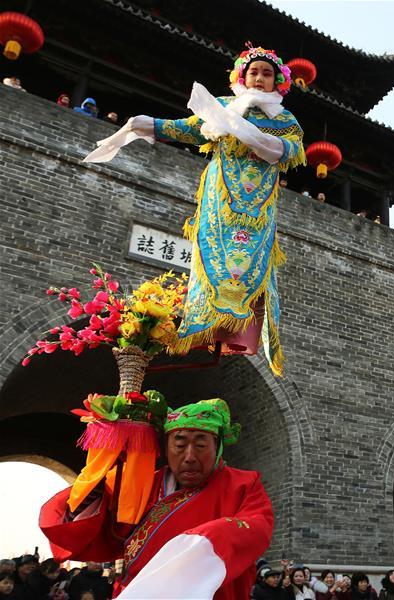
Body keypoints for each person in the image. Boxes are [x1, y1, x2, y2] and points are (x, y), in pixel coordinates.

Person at [83, 46, 306, 376]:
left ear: (278, 83)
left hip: (256, 209)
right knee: (213, 258)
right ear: (242, 77)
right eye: (254, 72)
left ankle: (238, 330)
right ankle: (204, 326)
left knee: (247, 265)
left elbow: (292, 150)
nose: (259, 78)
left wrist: (259, 139)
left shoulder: (285, 120)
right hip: (220, 200)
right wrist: (147, 125)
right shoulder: (224, 109)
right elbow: (186, 127)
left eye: (267, 73)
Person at [40, 398, 274, 599]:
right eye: (180, 445)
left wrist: (197, 546)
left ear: (218, 447)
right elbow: (103, 532)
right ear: (166, 447)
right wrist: (99, 482)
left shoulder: (243, 484)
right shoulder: (143, 482)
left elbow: (257, 527)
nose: (190, 456)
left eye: (201, 445)